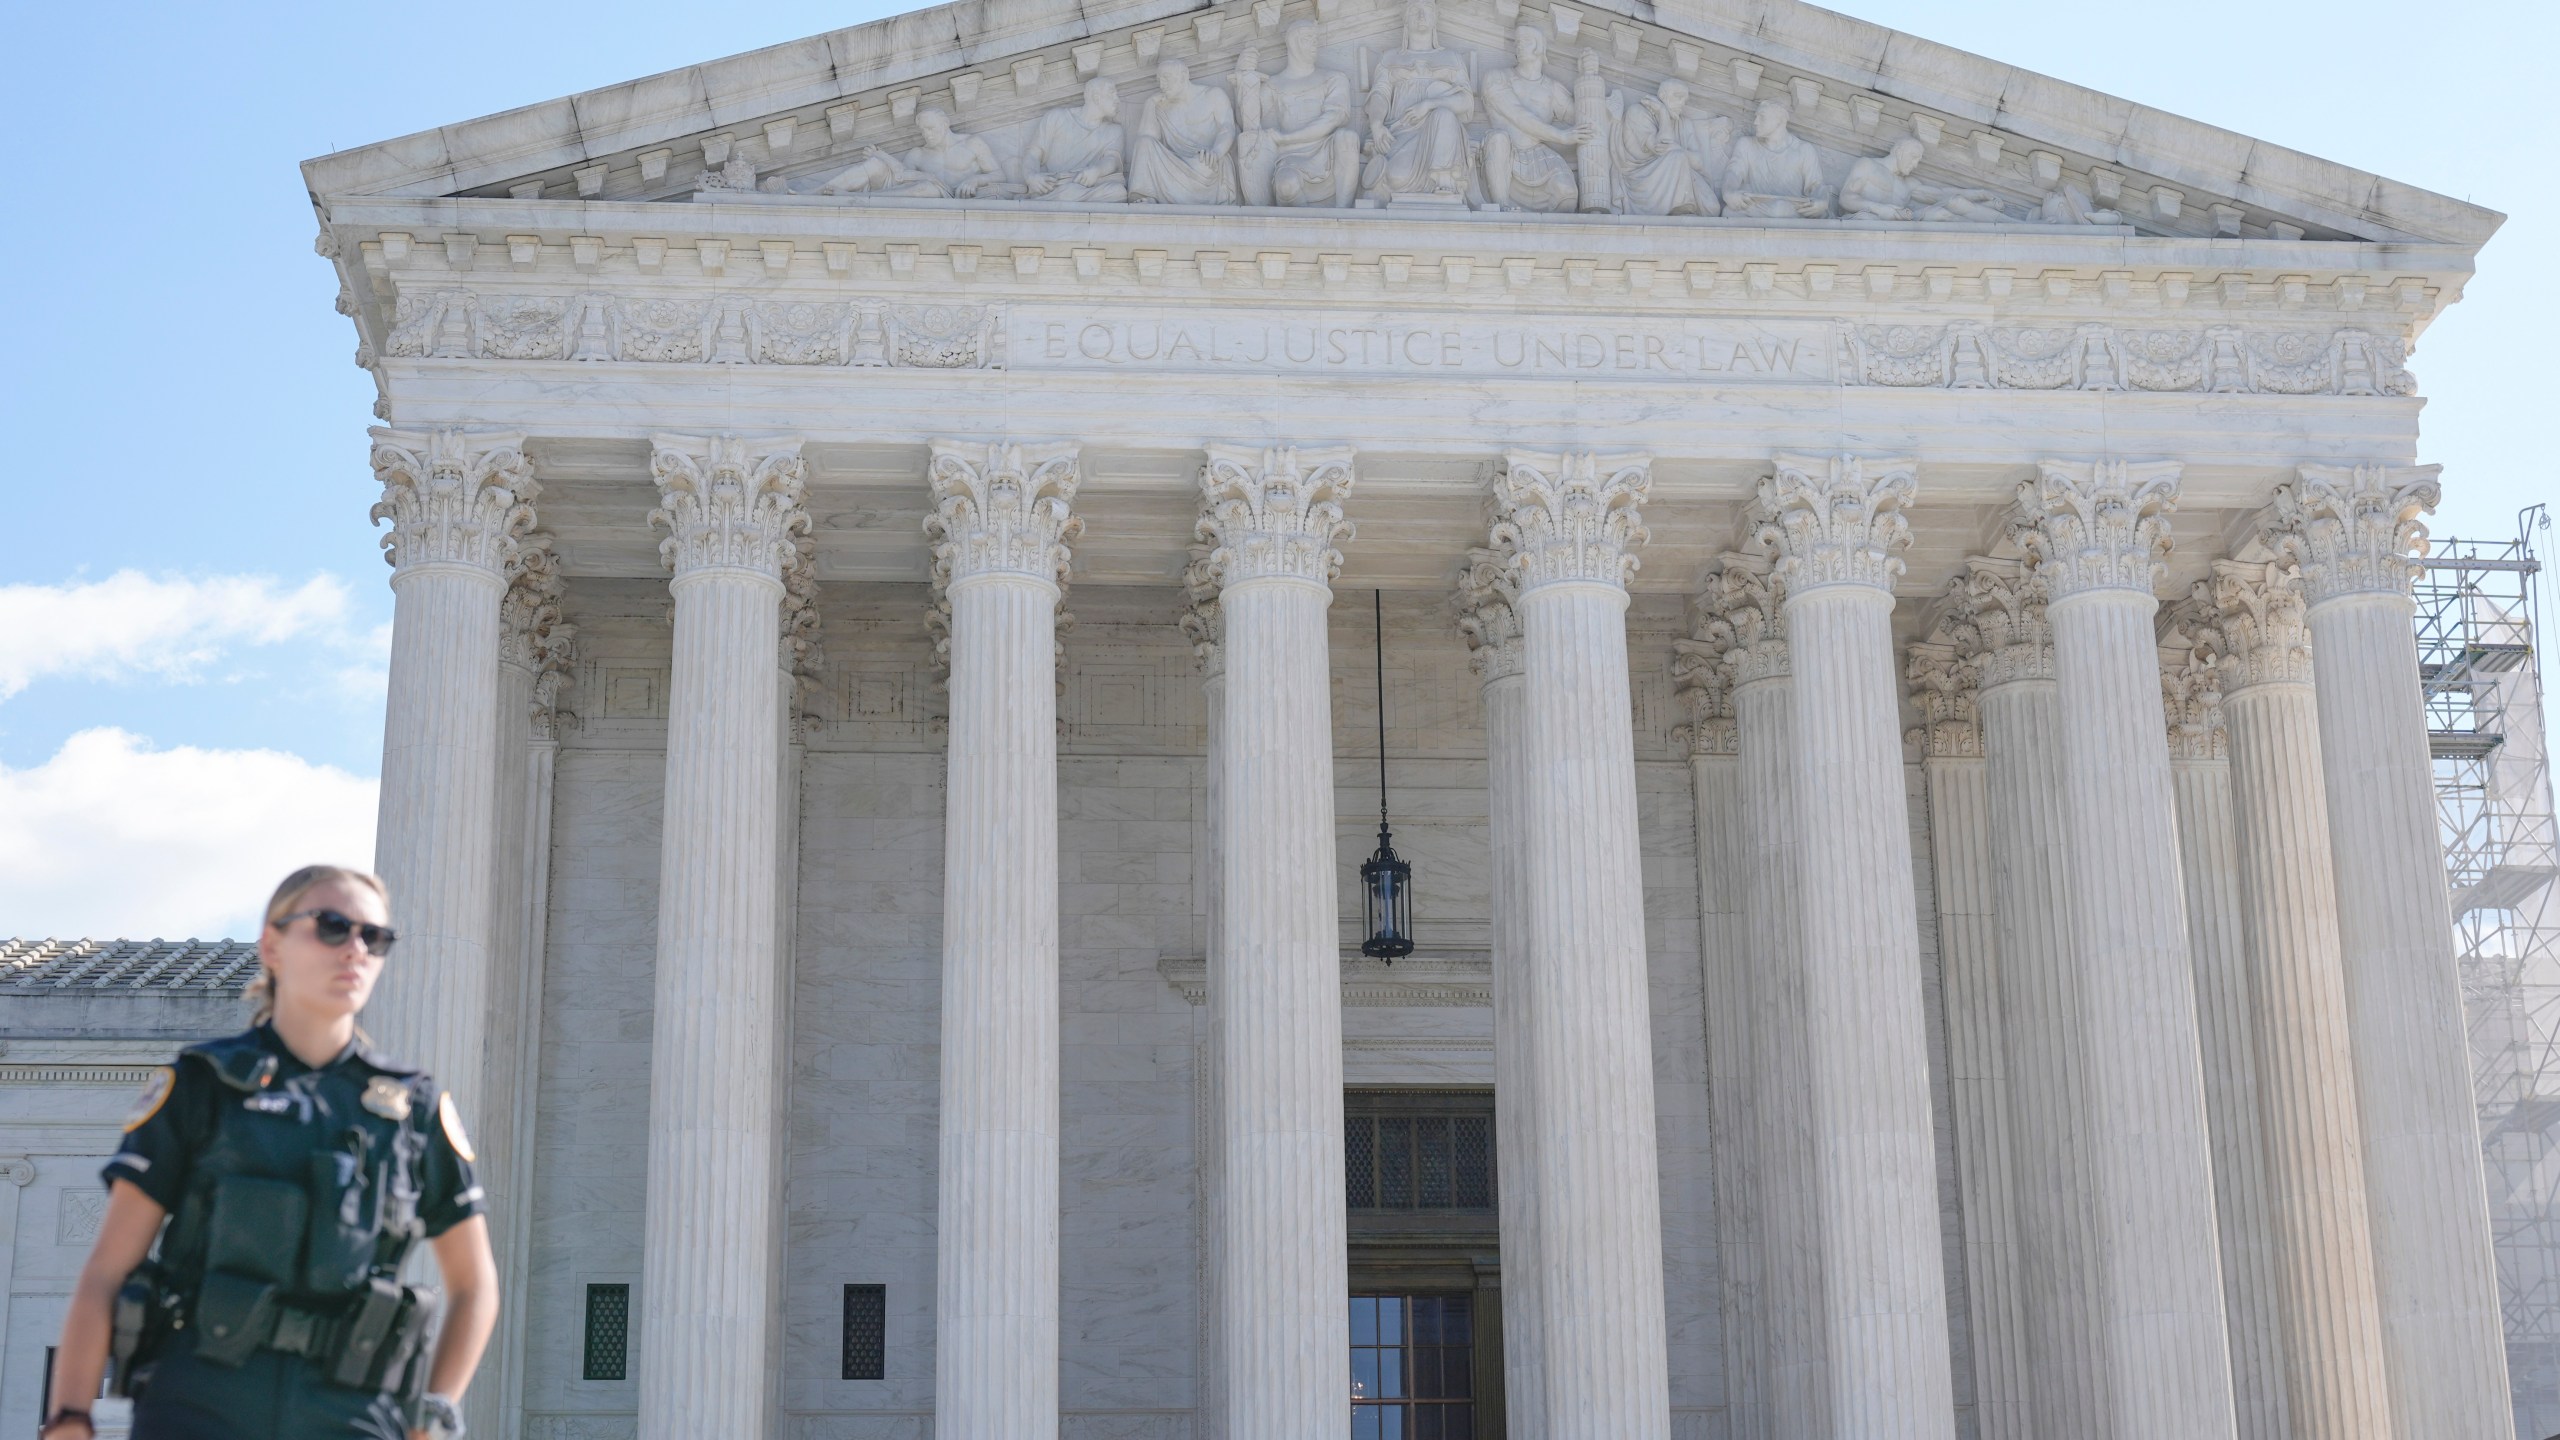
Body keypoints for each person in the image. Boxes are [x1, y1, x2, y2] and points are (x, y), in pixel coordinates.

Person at [42, 866, 498, 1440]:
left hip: (353, 1411)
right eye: (332, 926)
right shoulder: (202, 1084)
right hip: (200, 1402)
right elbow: (108, 1269)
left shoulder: (415, 1109)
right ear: (271, 945)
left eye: (374, 937)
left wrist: (432, 1413)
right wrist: (70, 1417)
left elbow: (474, 1284)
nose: (355, 949)